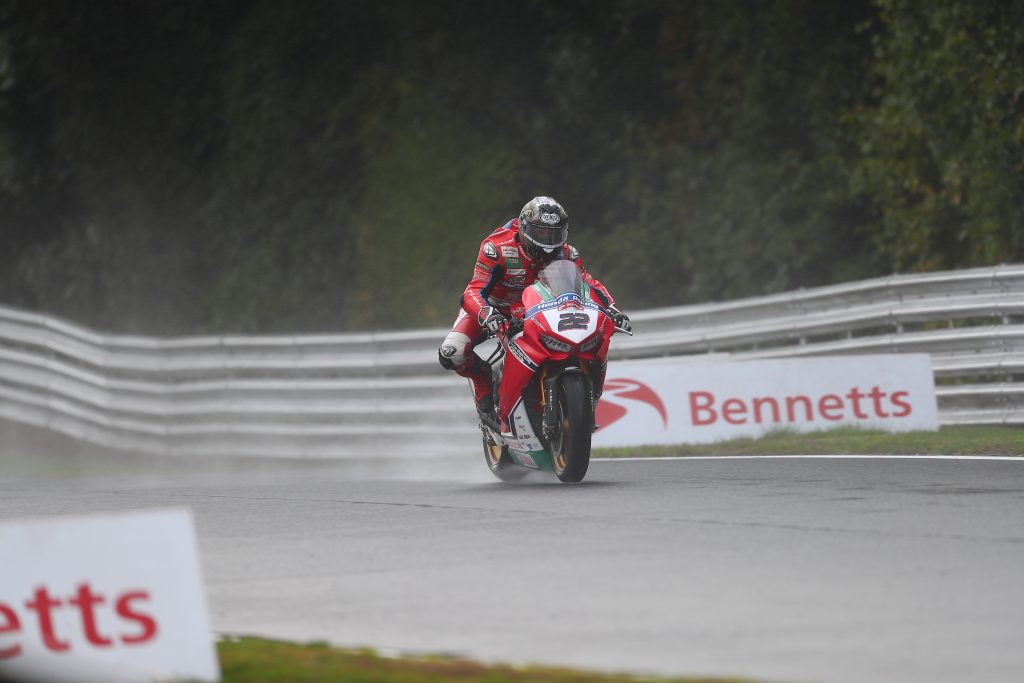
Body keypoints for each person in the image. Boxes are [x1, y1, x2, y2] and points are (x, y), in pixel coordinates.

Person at [438, 196, 630, 430]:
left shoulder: (567, 253)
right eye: (541, 233)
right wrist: (487, 314)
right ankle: (483, 389)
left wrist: (611, 307)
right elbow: (474, 290)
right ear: (525, 228)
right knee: (452, 352)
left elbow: (589, 283)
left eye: (555, 234)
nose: (548, 241)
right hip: (492, 307)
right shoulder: (496, 247)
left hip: (537, 310)